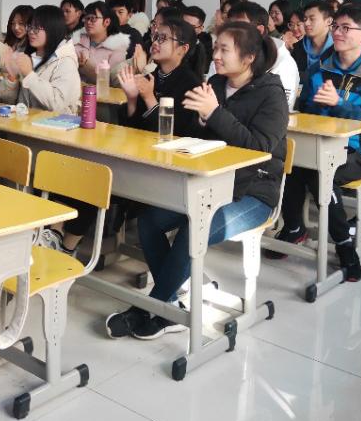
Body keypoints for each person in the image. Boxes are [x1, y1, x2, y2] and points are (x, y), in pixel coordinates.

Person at [106, 22, 288, 339]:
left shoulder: (271, 94)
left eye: (224, 50)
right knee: (149, 221)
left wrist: (214, 113)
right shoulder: (215, 83)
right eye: (216, 48)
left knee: (194, 230)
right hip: (209, 185)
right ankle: (170, 305)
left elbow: (260, 148)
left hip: (253, 193)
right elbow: (194, 135)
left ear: (248, 58)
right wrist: (203, 119)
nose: (215, 55)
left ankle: (151, 307)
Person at [269, 5, 361, 280]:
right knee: (287, 164)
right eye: (336, 27)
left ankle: (344, 244)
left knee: (320, 173)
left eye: (346, 28)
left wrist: (340, 104)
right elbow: (305, 112)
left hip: (358, 152)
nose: (338, 33)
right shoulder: (319, 69)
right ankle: (294, 227)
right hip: (316, 147)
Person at [0, 5, 80, 114]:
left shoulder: (66, 62)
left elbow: (58, 104)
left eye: (36, 28)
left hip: (52, 124)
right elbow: (7, 101)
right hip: (24, 121)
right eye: (30, 27)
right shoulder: (29, 57)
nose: (31, 32)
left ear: (53, 30)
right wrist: (12, 78)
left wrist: (29, 75)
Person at [227, 0, 300, 111]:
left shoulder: (284, 64)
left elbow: (279, 111)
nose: (231, 34)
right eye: (230, 27)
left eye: (239, 28)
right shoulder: (227, 55)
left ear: (259, 30)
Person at [73, 1, 131, 86]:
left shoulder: (117, 48)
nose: (88, 22)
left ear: (106, 22)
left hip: (101, 93)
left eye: (93, 19)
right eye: (86, 18)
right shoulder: (76, 41)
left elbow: (112, 83)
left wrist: (86, 66)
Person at [290, 0, 334, 74]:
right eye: (305, 19)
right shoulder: (298, 48)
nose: (306, 23)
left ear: (328, 21)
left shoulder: (339, 50)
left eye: (312, 19)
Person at [182, 5, 212, 79]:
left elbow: (202, 70)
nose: (186, 29)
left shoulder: (203, 47)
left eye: (192, 27)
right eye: (184, 24)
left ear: (200, 29)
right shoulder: (171, 40)